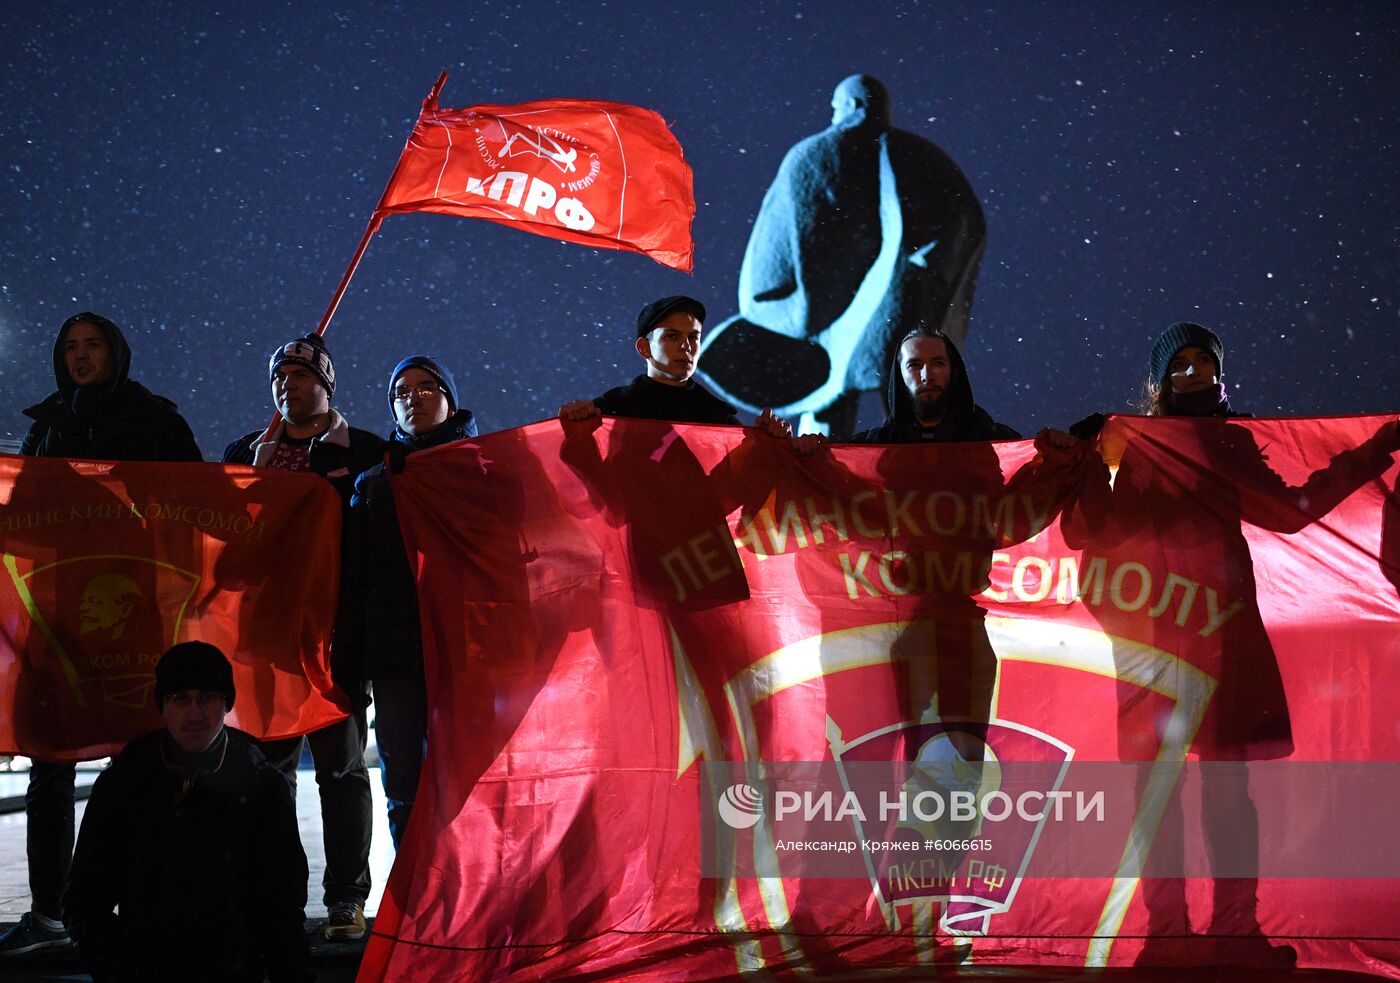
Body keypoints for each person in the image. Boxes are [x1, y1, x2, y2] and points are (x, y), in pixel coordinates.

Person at [1063, 321, 1400, 966]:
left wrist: (1373, 451)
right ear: (1160, 379)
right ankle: (1168, 938)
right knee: (1157, 790)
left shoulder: (1230, 444)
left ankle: (1232, 935)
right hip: (1155, 634)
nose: (1193, 374)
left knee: (1224, 789)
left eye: (1204, 363)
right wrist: (1080, 465)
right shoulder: (1128, 445)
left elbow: (1288, 511)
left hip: (1215, 632)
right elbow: (1087, 533)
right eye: (1180, 365)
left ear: (1221, 374)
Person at [0, 312, 202, 958]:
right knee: (50, 762)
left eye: (92, 346)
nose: (82, 356)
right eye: (71, 348)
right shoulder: (46, 425)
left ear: (117, 352)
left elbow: (194, 501)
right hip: (59, 614)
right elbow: (21, 520)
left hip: (136, 613)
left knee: (140, 761)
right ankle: (50, 911)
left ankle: (143, 901)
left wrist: (120, 498)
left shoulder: (156, 420)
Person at [695, 75, 987, 435]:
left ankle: (854, 470)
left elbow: (787, 237)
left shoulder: (815, 153)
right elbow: (967, 222)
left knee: (847, 407)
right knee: (892, 404)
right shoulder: (923, 157)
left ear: (852, 106)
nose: (835, 115)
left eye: (836, 107)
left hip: (847, 317)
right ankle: (896, 468)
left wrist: (791, 304)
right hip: (892, 312)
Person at [221, 333, 380, 940]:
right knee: (271, 773)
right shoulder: (245, 450)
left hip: (333, 639)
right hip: (267, 642)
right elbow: (222, 544)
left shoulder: (361, 450)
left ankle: (345, 896)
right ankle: (274, 892)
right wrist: (248, 486)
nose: (288, 386)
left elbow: (370, 544)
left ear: (328, 384)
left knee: (340, 769)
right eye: (279, 378)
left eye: (301, 376)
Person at [61, 642, 311, 983]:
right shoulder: (125, 784)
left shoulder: (263, 785)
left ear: (226, 704)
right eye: (181, 698)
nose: (194, 713)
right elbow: (84, 901)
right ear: (163, 706)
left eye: (207, 697)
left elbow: (284, 905)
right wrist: (121, 971)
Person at [343, 356, 477, 848]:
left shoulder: (483, 469)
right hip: (396, 654)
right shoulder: (373, 483)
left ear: (449, 399)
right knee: (402, 782)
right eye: (401, 391)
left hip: (467, 653)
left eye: (427, 387)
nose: (413, 397)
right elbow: (357, 578)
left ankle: (469, 894)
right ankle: (414, 895)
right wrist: (354, 659)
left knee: (467, 775)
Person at [560, 295, 745, 426]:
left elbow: (746, 473)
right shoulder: (612, 408)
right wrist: (573, 426)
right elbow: (580, 469)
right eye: (672, 336)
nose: (686, 346)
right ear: (644, 347)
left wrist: (765, 439)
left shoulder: (718, 415)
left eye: (693, 337)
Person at [848, 324, 1021, 444]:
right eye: (914, 365)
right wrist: (822, 460)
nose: (926, 376)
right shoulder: (873, 448)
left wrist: (1047, 456)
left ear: (954, 371)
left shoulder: (999, 444)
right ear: (899, 377)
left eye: (938, 363)